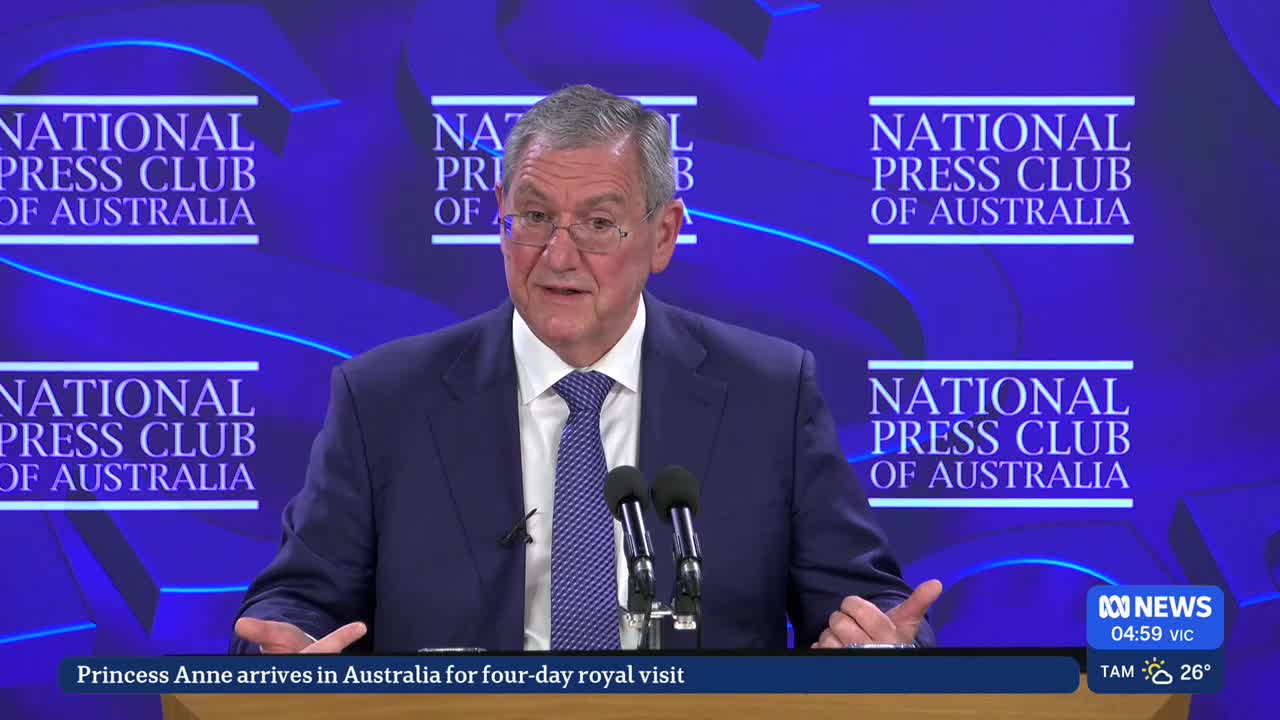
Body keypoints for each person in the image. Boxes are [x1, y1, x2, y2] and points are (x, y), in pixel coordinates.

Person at [231, 84, 940, 654]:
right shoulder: (383, 399)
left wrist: (876, 641)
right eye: (534, 216)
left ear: (661, 236)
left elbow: (863, 599)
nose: (559, 255)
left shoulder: (768, 393)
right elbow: (296, 604)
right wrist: (281, 650)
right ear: (500, 219)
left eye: (598, 224)